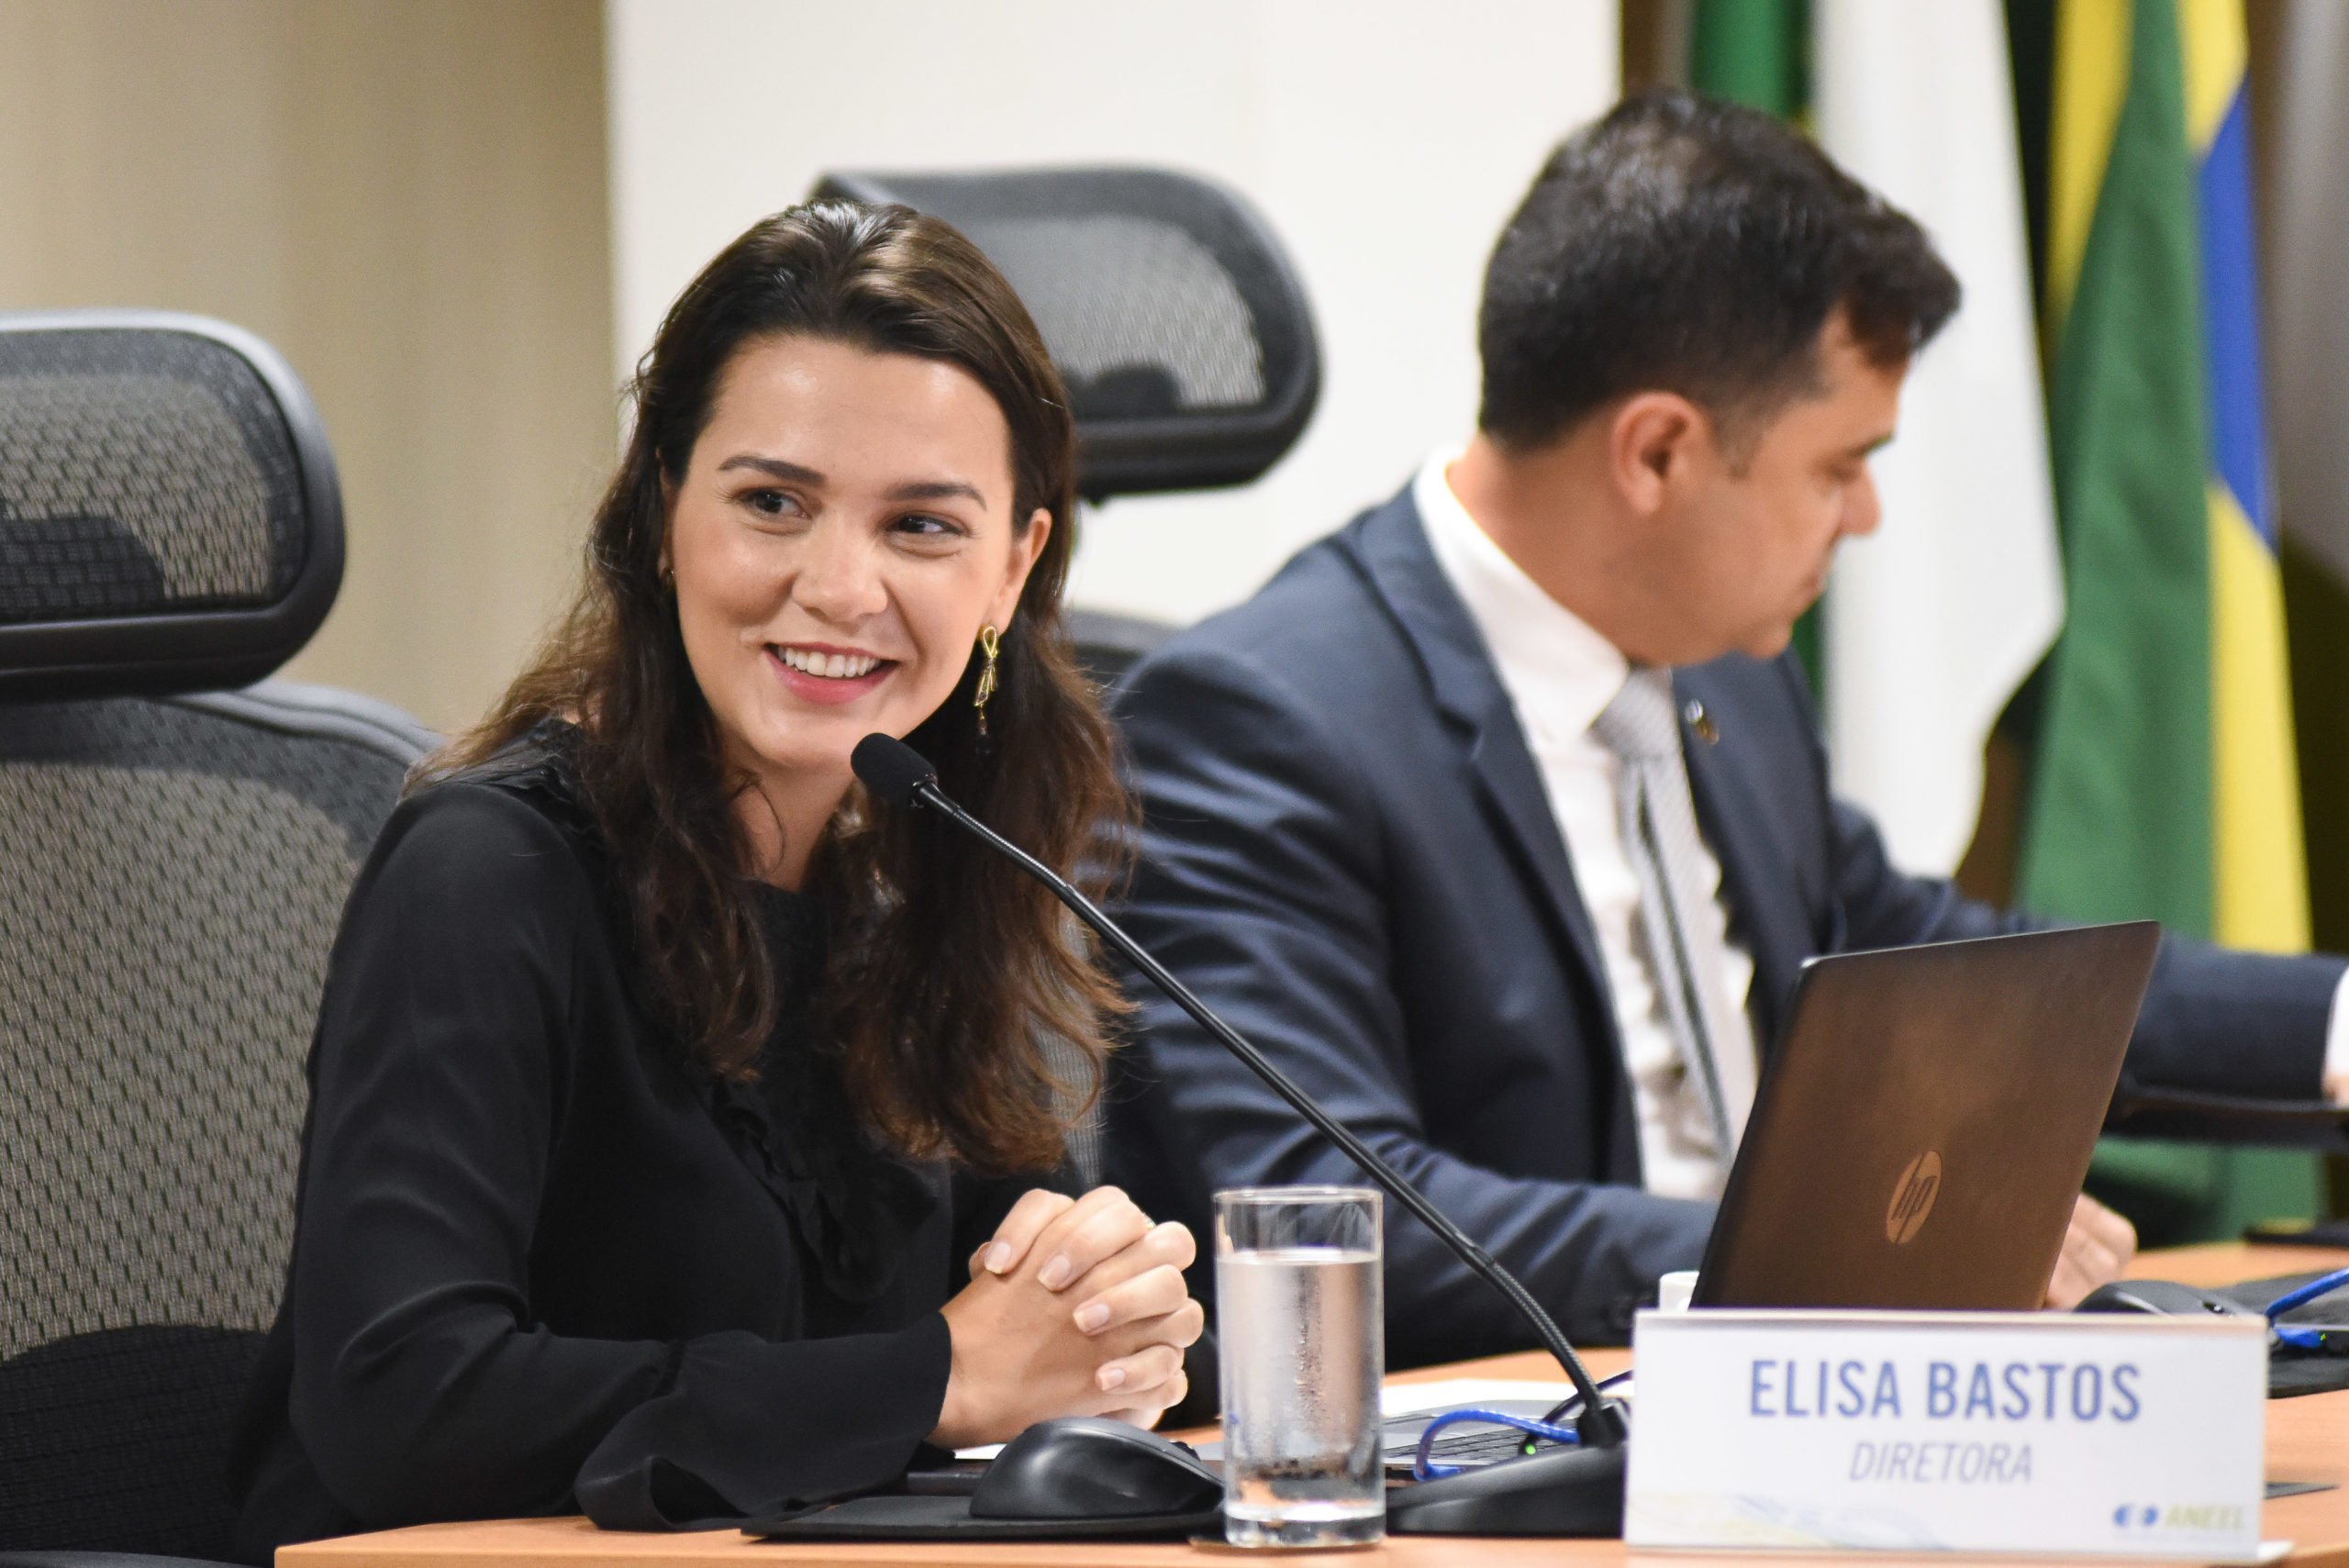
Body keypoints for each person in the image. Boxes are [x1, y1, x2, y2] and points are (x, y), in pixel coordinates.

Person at [1104, 91, 2349, 1369]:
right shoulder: (1255, 722)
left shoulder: (1729, 672)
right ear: (1656, 455)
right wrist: (1844, 1257)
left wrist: (2338, 1024)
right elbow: (1327, 1207)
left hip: (1817, 1407)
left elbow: (1938, 970)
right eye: (1838, 464)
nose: (1863, 516)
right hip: (1525, 1455)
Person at [230, 201, 1202, 1556]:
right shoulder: (487, 873)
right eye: (772, 502)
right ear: (660, 509)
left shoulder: (920, 869)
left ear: (1013, 569)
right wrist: (942, 1373)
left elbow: (1008, 1317)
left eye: (922, 525)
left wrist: (1104, 1323)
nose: (840, 585)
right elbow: (398, 1397)